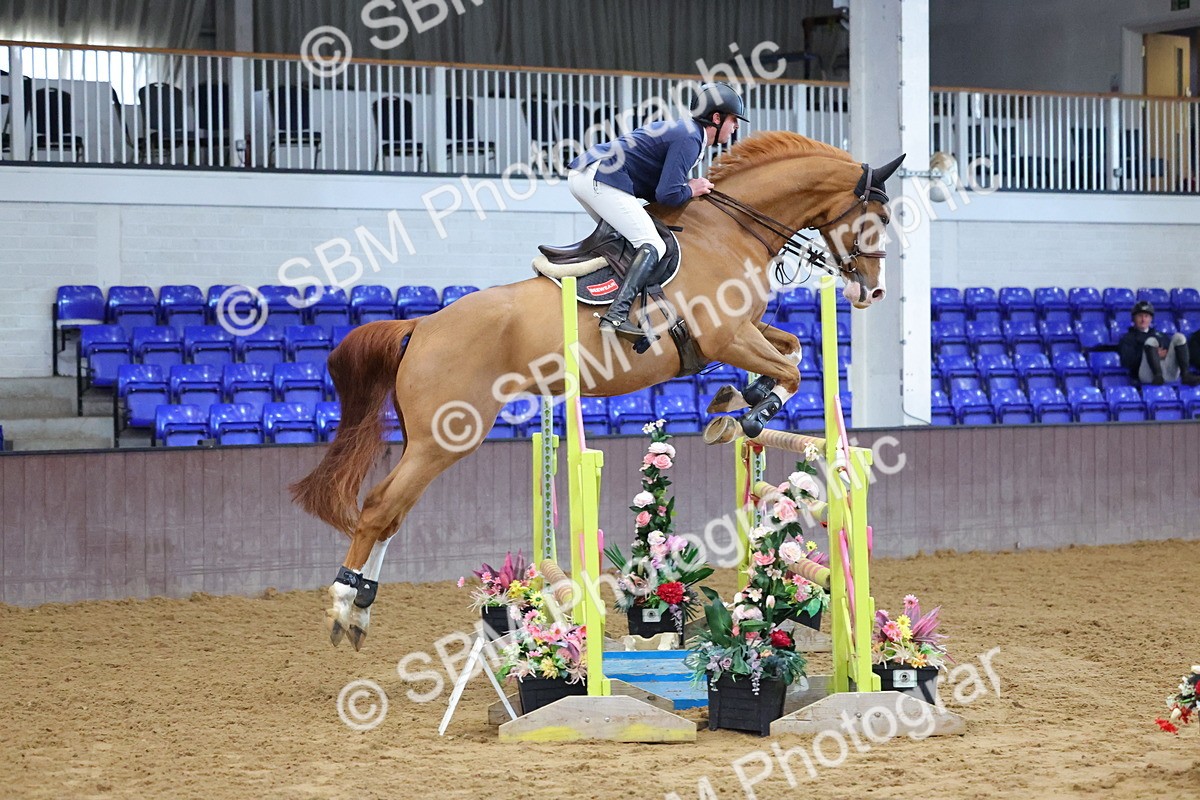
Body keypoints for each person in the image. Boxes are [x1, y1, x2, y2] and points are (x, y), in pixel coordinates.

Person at [566, 82, 746, 339]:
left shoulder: (686, 132)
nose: (736, 126)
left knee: (627, 242)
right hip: (602, 177)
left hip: (587, 175)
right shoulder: (691, 138)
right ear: (716, 118)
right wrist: (691, 189)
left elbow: (658, 189)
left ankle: (607, 302)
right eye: (733, 120)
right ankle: (616, 315)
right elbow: (668, 194)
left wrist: (684, 188)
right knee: (653, 244)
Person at [1117, 300, 1200, 386]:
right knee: (1151, 341)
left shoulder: (1160, 335)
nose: (1143, 320)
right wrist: (1152, 354)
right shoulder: (1127, 338)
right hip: (1147, 375)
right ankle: (1158, 375)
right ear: (1134, 318)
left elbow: (1171, 351)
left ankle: (1185, 375)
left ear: (1151, 319)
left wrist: (1164, 354)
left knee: (1179, 337)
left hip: (1167, 372)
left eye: (1146, 316)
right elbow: (1127, 361)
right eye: (1140, 316)